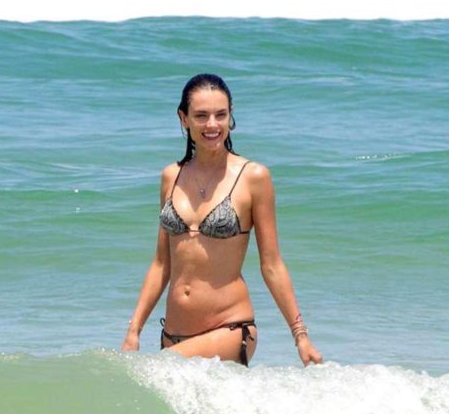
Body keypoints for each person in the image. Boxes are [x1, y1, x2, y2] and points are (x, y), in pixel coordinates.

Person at [122, 74, 323, 366]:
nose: (212, 125)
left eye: (221, 114)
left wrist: (300, 336)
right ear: (184, 119)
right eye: (201, 116)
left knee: (160, 369)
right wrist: (134, 330)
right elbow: (161, 264)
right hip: (174, 336)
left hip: (229, 328)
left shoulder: (253, 177)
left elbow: (271, 264)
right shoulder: (171, 177)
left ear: (231, 116)